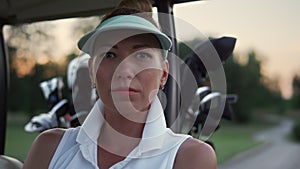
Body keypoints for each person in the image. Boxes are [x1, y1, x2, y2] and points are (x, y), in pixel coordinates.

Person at [23, 1, 217, 169]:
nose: (124, 71)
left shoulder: (190, 157)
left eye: (142, 55)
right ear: (91, 71)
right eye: (109, 55)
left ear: (163, 74)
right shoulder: (49, 148)